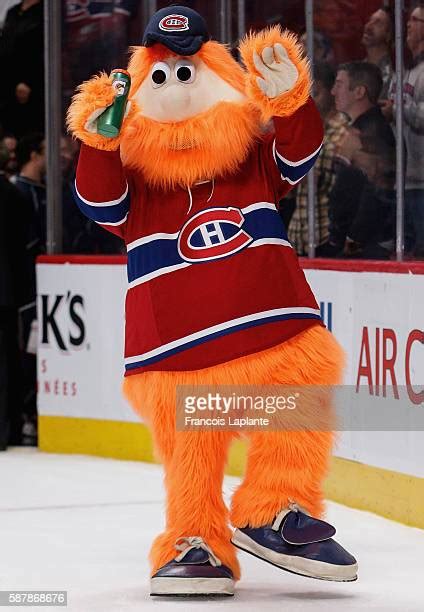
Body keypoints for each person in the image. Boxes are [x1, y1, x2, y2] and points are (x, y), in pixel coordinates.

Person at [68, 5, 357, 596]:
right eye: (162, 75)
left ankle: (274, 507)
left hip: (272, 332)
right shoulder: (138, 182)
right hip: (177, 348)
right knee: (191, 448)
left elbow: (298, 151)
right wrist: (99, 143)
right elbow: (99, 203)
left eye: (190, 70)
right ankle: (194, 537)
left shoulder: (252, 162)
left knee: (300, 395)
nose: (177, 85)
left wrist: (291, 101)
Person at [324, 61, 396, 257]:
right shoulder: (361, 129)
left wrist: (355, 238)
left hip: (363, 247)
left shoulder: (373, 132)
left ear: (359, 92)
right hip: (350, 240)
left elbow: (379, 190)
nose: (333, 92)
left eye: (339, 84)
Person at [289, 62, 349, 255]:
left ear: (330, 92)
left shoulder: (343, 130)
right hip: (299, 233)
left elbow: (337, 184)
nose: (307, 100)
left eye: (315, 92)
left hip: (326, 234)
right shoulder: (302, 128)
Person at [11, 132, 46, 445]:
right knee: (26, 351)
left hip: (39, 287)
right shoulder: (18, 193)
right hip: (24, 289)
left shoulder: (40, 190)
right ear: (34, 155)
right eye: (46, 151)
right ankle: (26, 416)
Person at [383, 3, 424, 258]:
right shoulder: (404, 71)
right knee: (407, 251)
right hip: (402, 178)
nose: (408, 25)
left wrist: (398, 109)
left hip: (422, 180)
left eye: (416, 21)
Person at [0, 142, 30, 448]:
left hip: (7, 291)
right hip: (6, 292)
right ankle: (8, 430)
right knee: (7, 362)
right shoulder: (12, 194)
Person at [0, 0, 44, 137]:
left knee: (29, 128)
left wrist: (29, 81)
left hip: (32, 84)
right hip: (8, 82)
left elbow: (42, 51)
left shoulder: (45, 12)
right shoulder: (13, 11)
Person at [361, 6, 394, 99]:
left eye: (378, 23)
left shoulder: (391, 73)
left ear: (389, 35)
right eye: (370, 20)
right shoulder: (359, 67)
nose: (368, 26)